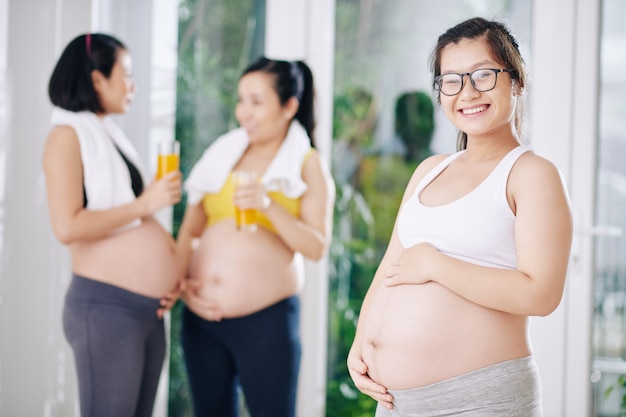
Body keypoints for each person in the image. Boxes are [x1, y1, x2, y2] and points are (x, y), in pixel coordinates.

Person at [347, 17, 573, 417]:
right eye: (451, 80)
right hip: (397, 402)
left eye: (483, 75)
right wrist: (361, 342)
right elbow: (392, 268)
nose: (467, 92)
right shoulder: (429, 169)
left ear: (516, 81)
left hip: (480, 400)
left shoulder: (530, 174)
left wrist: (437, 265)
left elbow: (541, 294)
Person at [176, 57, 335, 417]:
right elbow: (189, 231)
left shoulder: (308, 164)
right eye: (241, 100)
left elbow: (316, 246)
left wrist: (267, 205)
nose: (244, 112)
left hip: (267, 323)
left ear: (289, 106)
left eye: (256, 102)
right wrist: (183, 283)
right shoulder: (221, 155)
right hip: (202, 319)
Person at [42, 33, 183, 417]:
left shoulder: (109, 136)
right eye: (128, 74)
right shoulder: (65, 137)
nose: (133, 85)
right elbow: (67, 226)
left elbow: (135, 221)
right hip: (107, 308)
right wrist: (145, 202)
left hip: (146, 311)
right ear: (97, 79)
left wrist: (173, 276)